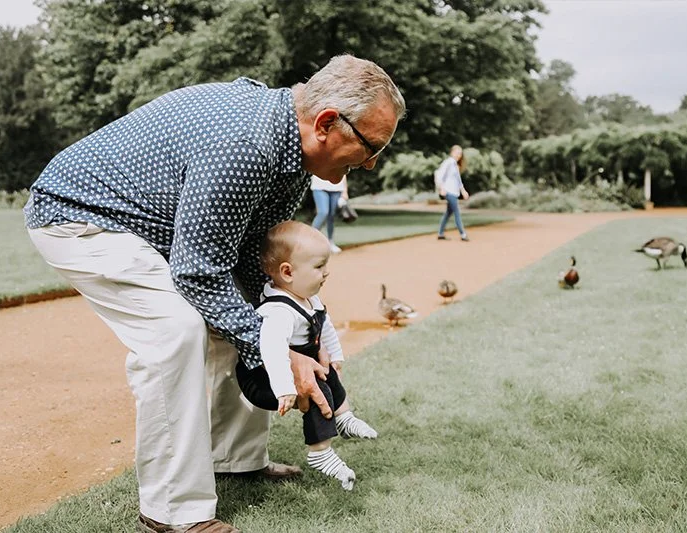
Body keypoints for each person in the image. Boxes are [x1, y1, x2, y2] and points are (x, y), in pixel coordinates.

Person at [24, 54, 404, 532]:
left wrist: (280, 335)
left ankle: (236, 459)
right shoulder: (247, 143)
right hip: (82, 216)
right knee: (175, 329)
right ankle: (173, 513)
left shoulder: (288, 154)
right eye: (370, 146)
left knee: (249, 310)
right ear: (326, 123)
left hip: (150, 227)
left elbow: (247, 258)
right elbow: (198, 271)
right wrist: (277, 356)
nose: (370, 164)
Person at [236, 220, 377, 491]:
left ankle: (344, 417)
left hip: (292, 364)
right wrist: (284, 387)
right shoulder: (278, 311)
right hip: (262, 377)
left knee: (327, 372)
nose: (327, 273)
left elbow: (325, 325)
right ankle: (320, 452)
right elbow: (272, 351)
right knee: (317, 387)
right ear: (287, 272)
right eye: (319, 267)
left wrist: (335, 356)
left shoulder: (308, 297)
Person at [436, 145, 470, 242]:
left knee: (448, 213)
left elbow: (458, 180)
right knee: (457, 212)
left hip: (454, 192)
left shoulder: (454, 164)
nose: (459, 155)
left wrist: (463, 190)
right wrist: (441, 188)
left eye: (460, 153)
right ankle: (463, 234)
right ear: (452, 152)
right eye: (457, 152)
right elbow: (439, 174)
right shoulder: (448, 162)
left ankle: (440, 233)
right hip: (449, 191)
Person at [311, 173, 348, 253]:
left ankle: (330, 243)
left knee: (331, 216)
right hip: (319, 187)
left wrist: (345, 191)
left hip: (337, 188)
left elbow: (344, 170)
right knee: (323, 213)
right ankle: (309, 240)